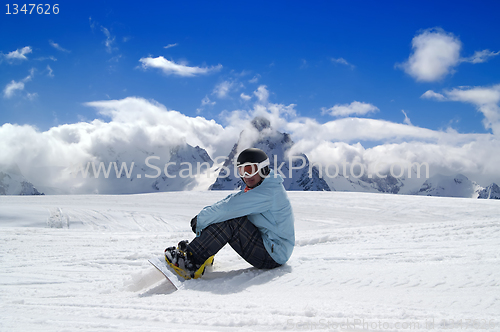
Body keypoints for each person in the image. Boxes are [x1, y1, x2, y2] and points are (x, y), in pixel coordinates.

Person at [164, 148, 295, 279]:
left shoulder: (268, 192)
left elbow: (229, 208)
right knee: (226, 215)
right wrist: (204, 219)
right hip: (271, 246)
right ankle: (200, 250)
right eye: (242, 171)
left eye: (250, 170)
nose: (246, 175)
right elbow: (233, 201)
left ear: (263, 169)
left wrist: (201, 220)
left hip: (273, 255)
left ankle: (190, 263)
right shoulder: (264, 185)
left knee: (232, 220)